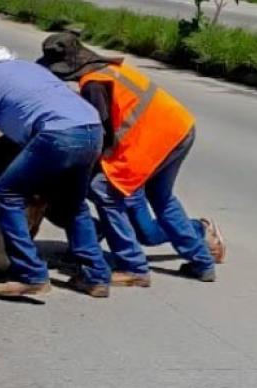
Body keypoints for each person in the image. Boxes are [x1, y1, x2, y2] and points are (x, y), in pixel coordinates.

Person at [0, 34, 111, 298]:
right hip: (92, 130)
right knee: (72, 204)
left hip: (57, 135)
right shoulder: (29, 68)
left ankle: (31, 274)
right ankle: (96, 276)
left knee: (6, 194)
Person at [37, 32, 223, 283]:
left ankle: (133, 267)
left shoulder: (94, 84)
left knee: (102, 190)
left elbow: (99, 134)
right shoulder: (111, 69)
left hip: (153, 141)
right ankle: (202, 262)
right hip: (179, 129)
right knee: (162, 197)